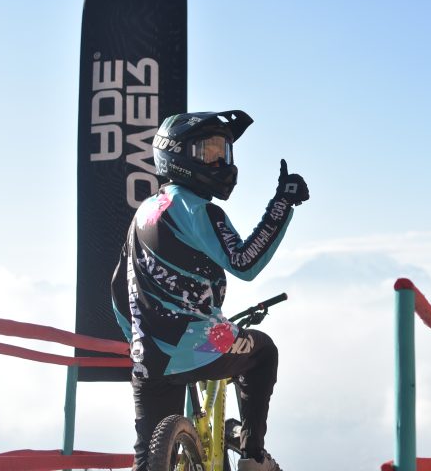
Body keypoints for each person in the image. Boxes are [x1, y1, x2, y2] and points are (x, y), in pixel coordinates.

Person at [111, 110, 309, 471]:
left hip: (148, 355)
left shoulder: (143, 213)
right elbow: (244, 262)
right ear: (177, 155)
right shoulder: (197, 209)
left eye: (224, 152)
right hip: (201, 345)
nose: (221, 163)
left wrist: (139, 338)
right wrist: (283, 203)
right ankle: (253, 457)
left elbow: (118, 291)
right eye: (208, 152)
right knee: (264, 351)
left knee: (148, 462)